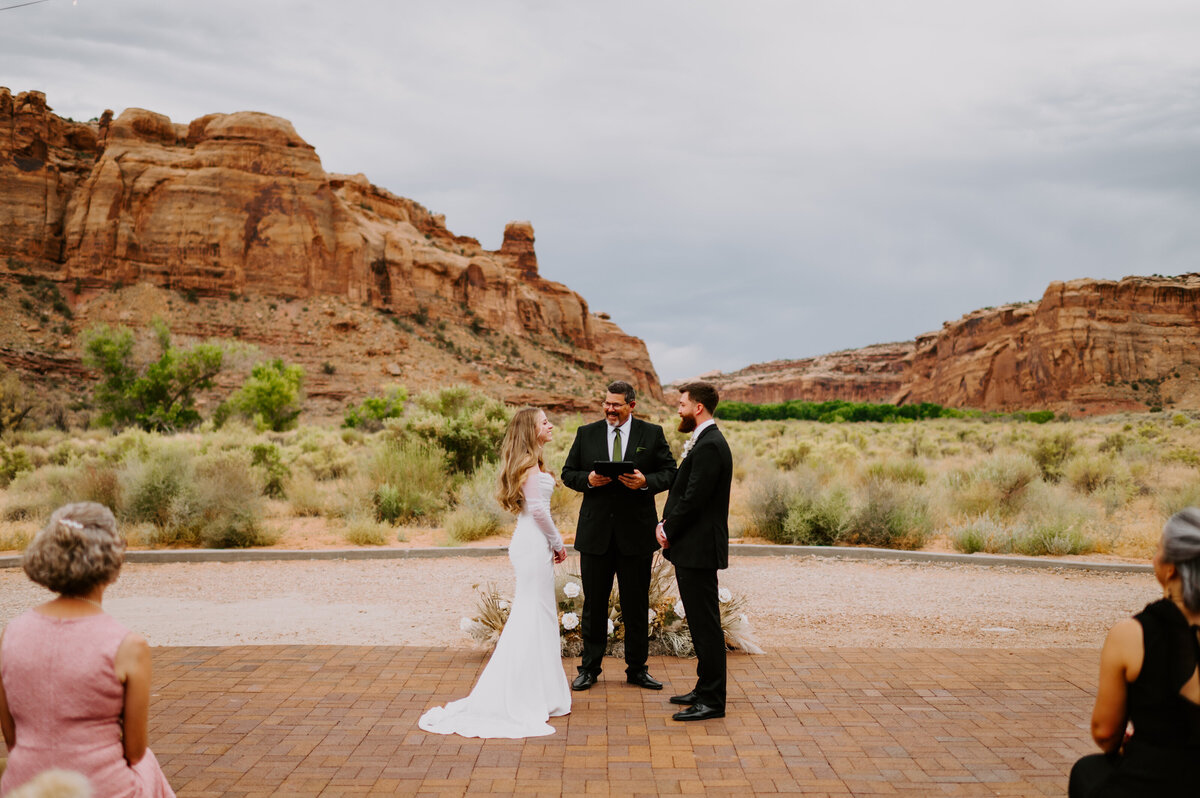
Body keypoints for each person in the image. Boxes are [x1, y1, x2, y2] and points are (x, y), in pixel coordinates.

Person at [0, 502, 176, 798]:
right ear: (112, 557)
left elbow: (11, 737)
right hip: (100, 789)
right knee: (148, 763)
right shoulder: (128, 646)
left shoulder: (10, 634)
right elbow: (133, 751)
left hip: (24, 785)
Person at [419, 407, 571, 738]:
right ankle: (519, 692)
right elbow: (540, 512)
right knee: (532, 614)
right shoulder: (530, 466)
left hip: (531, 542)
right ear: (530, 430)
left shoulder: (532, 464)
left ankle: (541, 691)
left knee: (539, 615)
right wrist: (559, 543)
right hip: (534, 545)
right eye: (544, 422)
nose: (550, 425)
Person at [1069, 507, 1200, 797]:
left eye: (1157, 550)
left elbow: (1105, 733)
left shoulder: (1132, 635)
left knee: (1087, 772)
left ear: (1172, 567)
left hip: (1152, 782)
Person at [560, 380, 677, 692]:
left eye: (616, 404)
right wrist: (587, 479)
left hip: (636, 535)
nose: (610, 409)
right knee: (593, 605)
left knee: (636, 605)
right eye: (607, 403)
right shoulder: (587, 433)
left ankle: (637, 670)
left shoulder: (651, 434)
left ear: (631, 406)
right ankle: (589, 669)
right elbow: (567, 472)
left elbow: (670, 472)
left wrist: (645, 482)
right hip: (596, 533)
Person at [656, 381, 732, 721]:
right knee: (701, 622)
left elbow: (695, 498)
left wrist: (668, 528)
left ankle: (712, 700)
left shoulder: (711, 445)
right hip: (693, 546)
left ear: (698, 407)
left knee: (706, 624)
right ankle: (704, 688)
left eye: (682, 403)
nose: (678, 408)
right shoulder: (704, 441)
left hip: (698, 547)